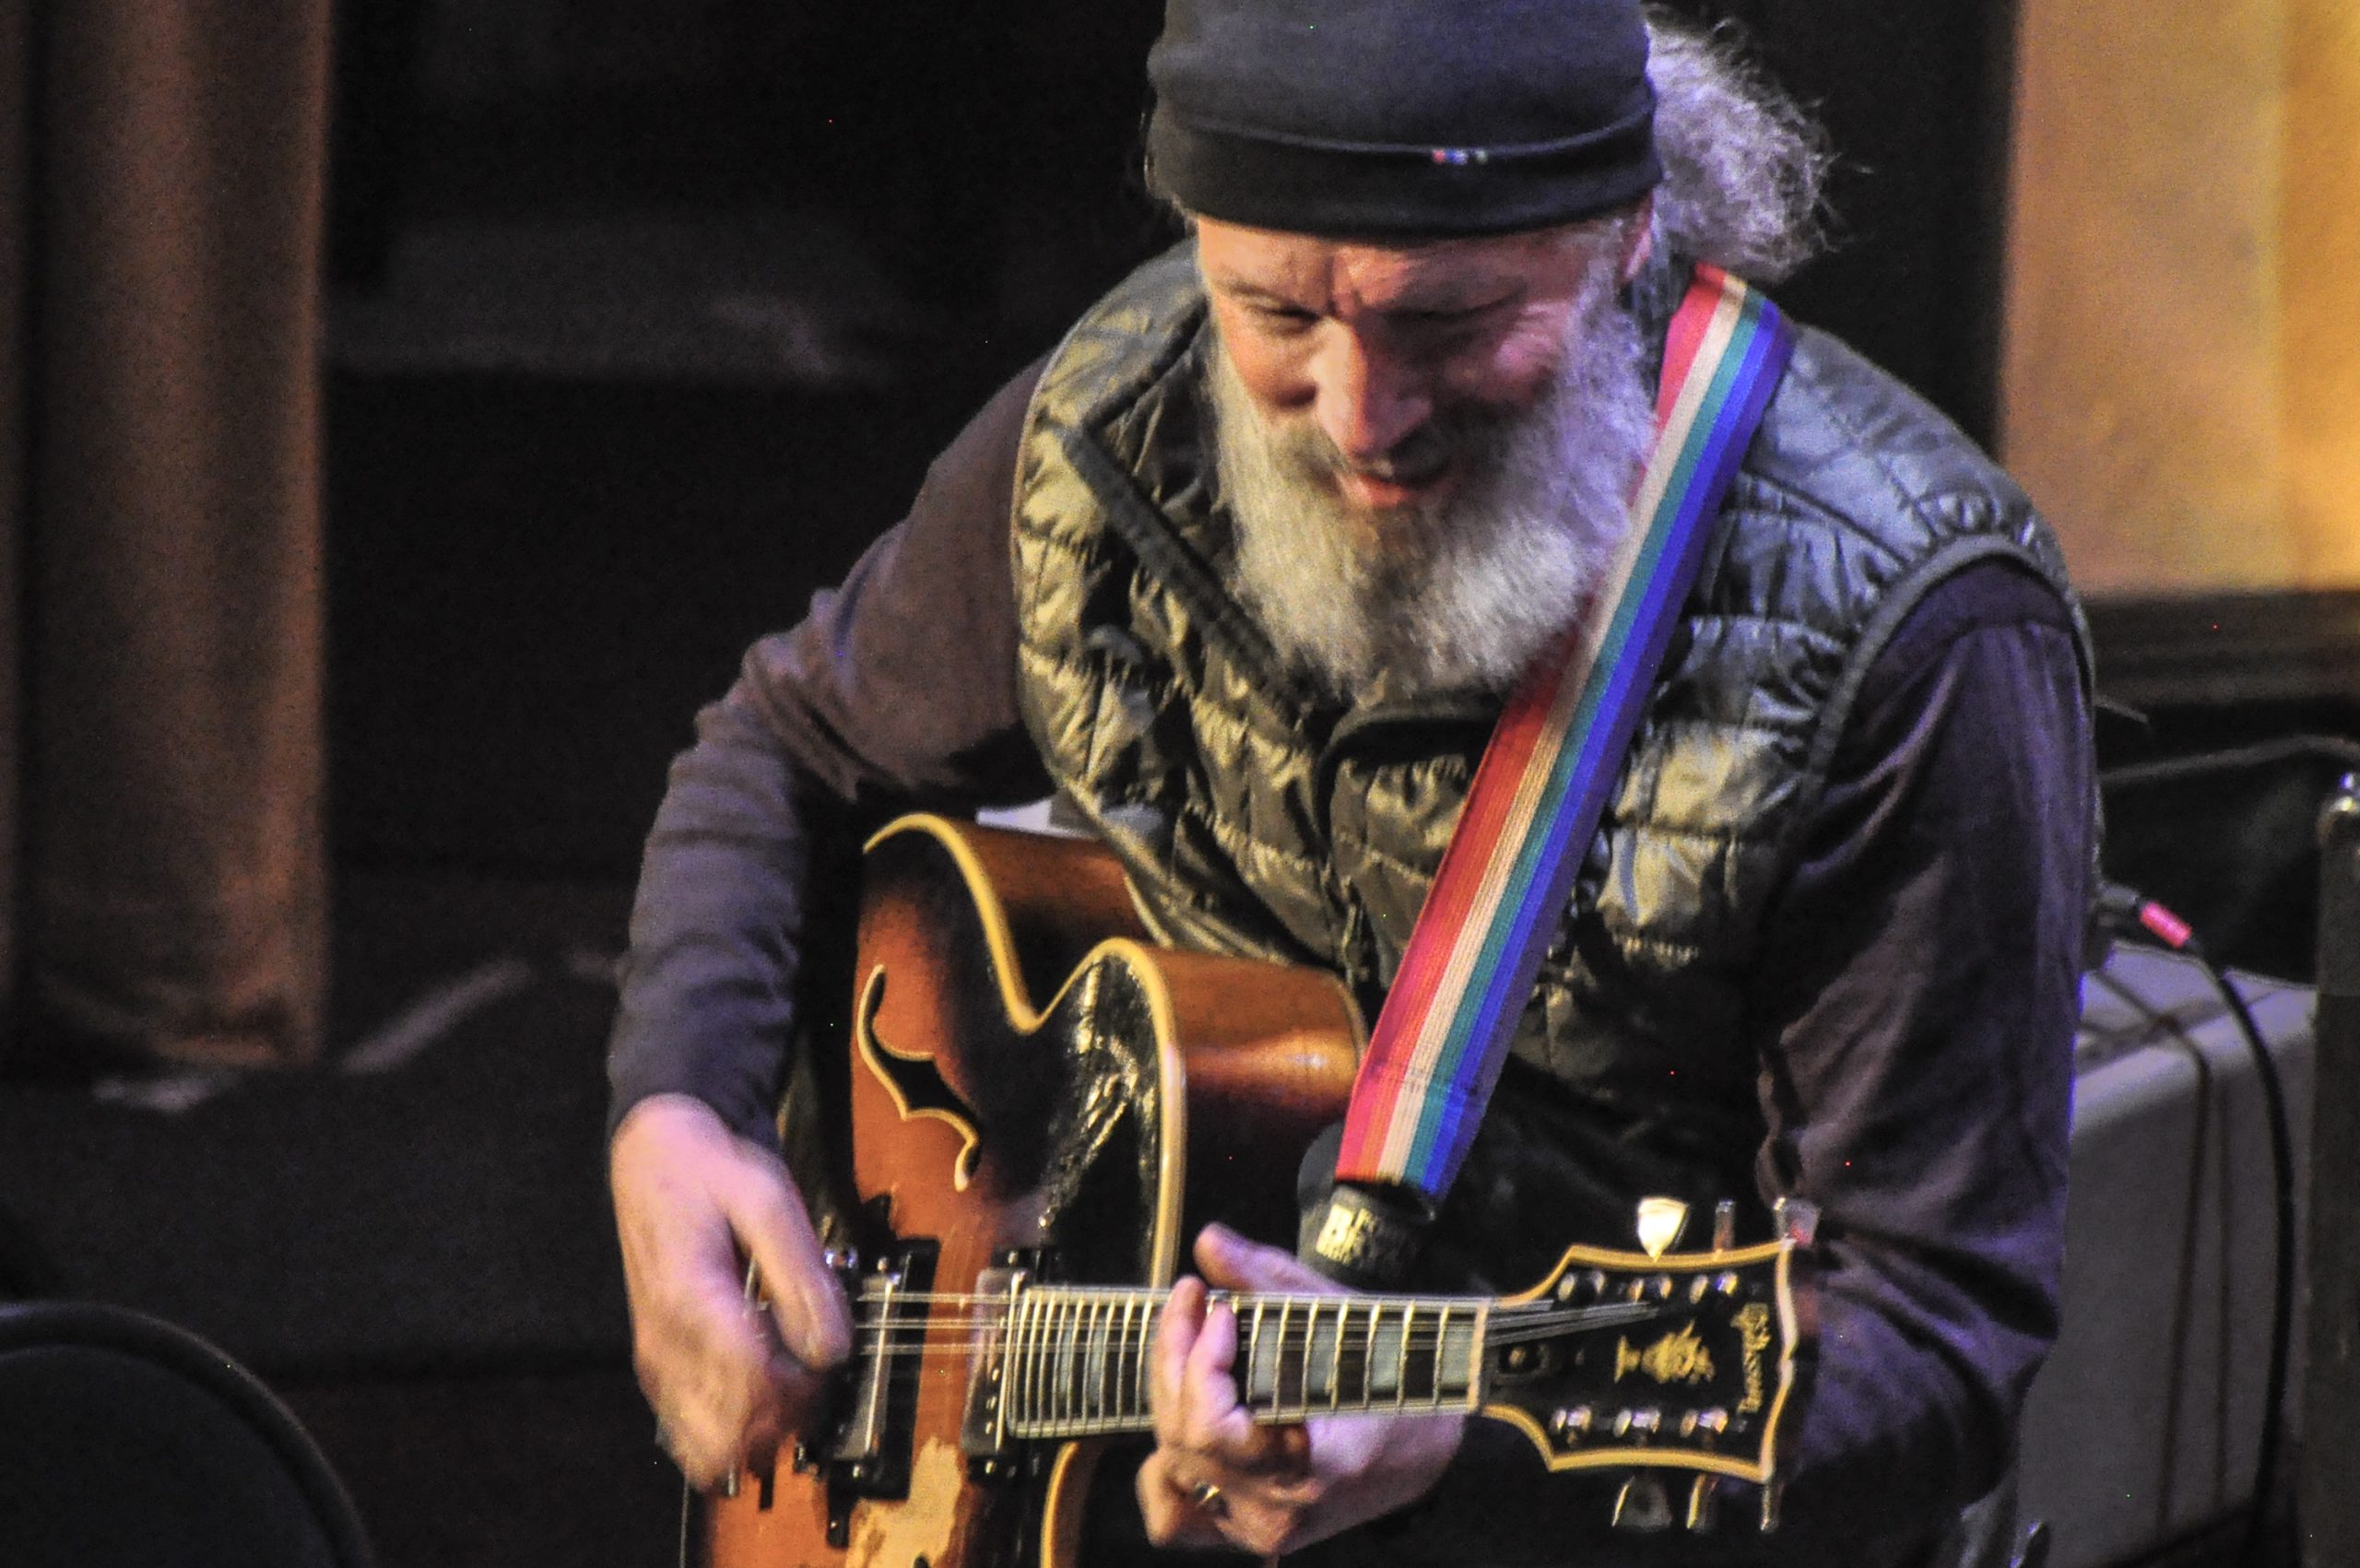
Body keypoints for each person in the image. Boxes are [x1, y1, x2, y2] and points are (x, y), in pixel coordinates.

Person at [605, 3, 2096, 1563]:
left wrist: (1463, 1458)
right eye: (1274, 313)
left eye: (1450, 322)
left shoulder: (1916, 628)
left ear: (1630, 235)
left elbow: (1932, 1336)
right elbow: (782, 749)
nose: (1361, 418)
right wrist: (677, 1109)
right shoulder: (1113, 427)